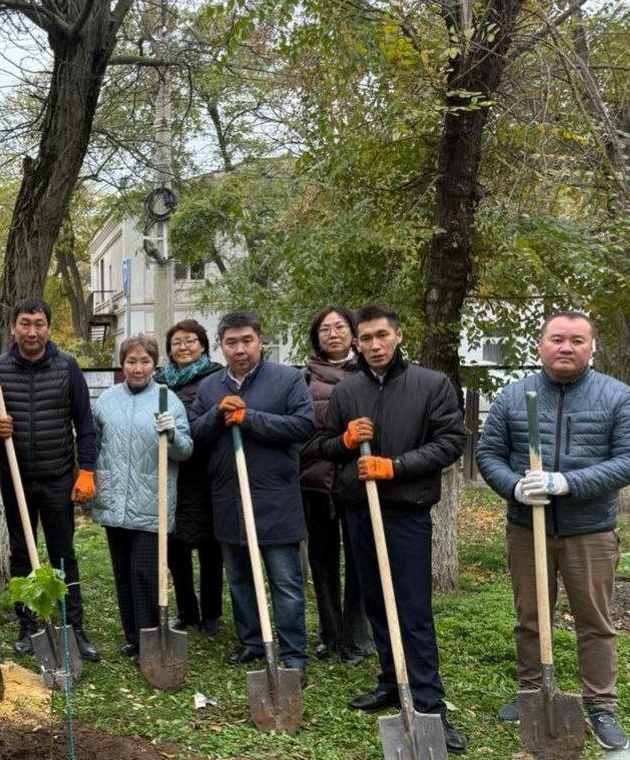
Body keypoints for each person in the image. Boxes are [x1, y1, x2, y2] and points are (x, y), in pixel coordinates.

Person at [477, 311, 630, 751]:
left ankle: (600, 704)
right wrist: (513, 486)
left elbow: (628, 458)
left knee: (595, 622)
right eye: (557, 339)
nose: (567, 347)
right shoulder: (514, 396)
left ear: (592, 348)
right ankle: (531, 692)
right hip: (527, 529)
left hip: (590, 531)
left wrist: (568, 482)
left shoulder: (618, 397)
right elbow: (488, 453)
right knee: (530, 617)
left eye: (578, 340)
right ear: (540, 345)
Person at [319, 304, 466, 754]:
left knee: (413, 612)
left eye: (382, 335)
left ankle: (429, 706)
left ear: (398, 335)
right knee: (376, 605)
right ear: (357, 344)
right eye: (366, 338)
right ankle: (389, 678)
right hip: (360, 511)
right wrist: (344, 442)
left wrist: (394, 467)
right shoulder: (348, 391)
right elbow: (320, 446)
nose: (375, 345)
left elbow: (451, 441)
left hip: (405, 512)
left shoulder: (431, 384)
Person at [189, 311, 313, 680]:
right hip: (228, 496)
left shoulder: (288, 379)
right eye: (231, 342)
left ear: (260, 340)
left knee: (285, 582)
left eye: (247, 340)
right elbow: (194, 434)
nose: (240, 349)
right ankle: (252, 642)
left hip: (275, 497)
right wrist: (215, 415)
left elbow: (304, 425)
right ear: (221, 346)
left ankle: (293, 655)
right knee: (239, 578)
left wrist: (250, 418)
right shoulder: (211, 386)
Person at [0, 297, 100, 661]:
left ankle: (73, 626)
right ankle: (28, 624)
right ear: (13, 327)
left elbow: (85, 423)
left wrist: (86, 471)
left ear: (48, 327)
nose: (32, 331)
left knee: (63, 553)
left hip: (58, 478)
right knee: (22, 553)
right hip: (17, 479)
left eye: (38, 324)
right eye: (25, 324)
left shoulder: (67, 367)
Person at [90, 335, 192, 656]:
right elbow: (94, 446)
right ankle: (134, 638)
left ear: (154, 364)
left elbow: (186, 451)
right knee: (122, 572)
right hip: (114, 499)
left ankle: (151, 637)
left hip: (152, 502)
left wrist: (173, 433)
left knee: (144, 572)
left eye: (144, 361)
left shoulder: (168, 400)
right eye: (131, 361)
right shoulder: (106, 400)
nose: (138, 368)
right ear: (122, 364)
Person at [299, 306, 373, 663]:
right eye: (325, 329)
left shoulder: (370, 373)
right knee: (323, 559)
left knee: (360, 559)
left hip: (359, 481)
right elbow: (300, 428)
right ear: (316, 337)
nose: (333, 333)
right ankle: (330, 633)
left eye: (340, 327)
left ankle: (358, 637)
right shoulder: (304, 377)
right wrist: (334, 443)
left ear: (353, 333)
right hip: (315, 480)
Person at [159, 319, 224, 635]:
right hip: (172, 473)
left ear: (202, 345)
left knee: (211, 546)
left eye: (190, 341)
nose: (183, 347)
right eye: (176, 342)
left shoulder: (216, 378)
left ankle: (211, 612)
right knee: (175, 545)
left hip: (207, 472)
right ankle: (187, 610)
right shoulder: (161, 381)